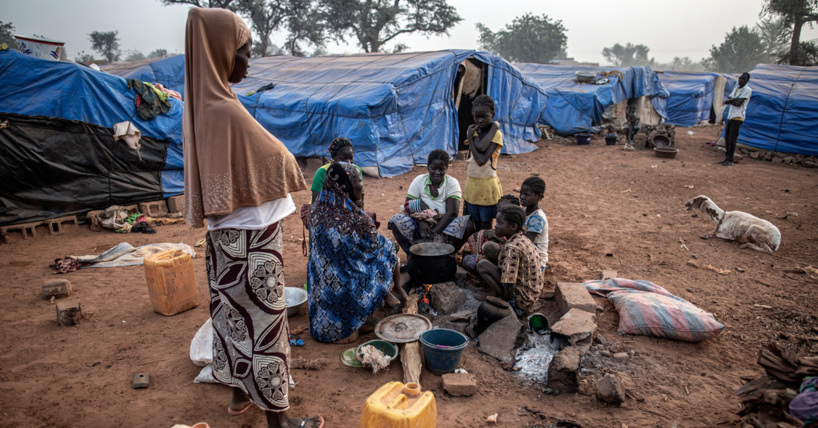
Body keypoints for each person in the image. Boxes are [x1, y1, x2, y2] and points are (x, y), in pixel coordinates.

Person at [182, 8, 322, 428]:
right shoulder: (225, 111)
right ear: (224, 54)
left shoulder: (205, 101)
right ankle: (279, 421)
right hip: (251, 239)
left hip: (227, 240)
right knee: (265, 327)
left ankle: (240, 395)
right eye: (244, 52)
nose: (248, 62)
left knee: (233, 320)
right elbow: (278, 156)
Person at [308, 162, 409, 343]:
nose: (363, 192)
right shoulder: (356, 219)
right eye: (359, 188)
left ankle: (362, 318)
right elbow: (377, 249)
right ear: (345, 188)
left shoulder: (315, 210)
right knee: (388, 251)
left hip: (321, 309)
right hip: (346, 299)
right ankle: (366, 314)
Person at [388, 150, 471, 258]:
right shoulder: (419, 181)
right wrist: (421, 222)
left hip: (444, 225)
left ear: (446, 168)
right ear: (428, 167)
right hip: (421, 226)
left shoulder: (452, 183)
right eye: (434, 168)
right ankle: (413, 254)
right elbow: (408, 206)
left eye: (441, 169)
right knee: (396, 220)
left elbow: (452, 213)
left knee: (468, 223)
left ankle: (446, 254)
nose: (437, 172)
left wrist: (433, 233)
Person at [475, 206, 544, 317]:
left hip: (522, 301)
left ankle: (506, 301)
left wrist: (505, 302)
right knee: (489, 247)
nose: (495, 226)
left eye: (500, 223)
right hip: (532, 294)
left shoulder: (512, 248)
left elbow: (510, 284)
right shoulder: (522, 239)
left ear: (512, 227)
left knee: (482, 265)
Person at [462, 94, 504, 231]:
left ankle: (483, 251)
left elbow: (481, 158)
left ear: (492, 114)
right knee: (473, 224)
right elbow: (478, 148)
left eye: (484, 117)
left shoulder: (496, 135)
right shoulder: (474, 132)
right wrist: (471, 135)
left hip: (487, 187)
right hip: (472, 186)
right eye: (476, 117)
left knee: (485, 226)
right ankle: (475, 250)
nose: (480, 120)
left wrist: (470, 136)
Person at [461, 194, 519, 273]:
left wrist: (495, 236)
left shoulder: (517, 230)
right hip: (501, 261)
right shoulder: (501, 228)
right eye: (499, 210)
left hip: (510, 267)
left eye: (506, 210)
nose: (501, 213)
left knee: (486, 250)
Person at [310, 137, 361, 203]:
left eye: (351, 158)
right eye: (343, 159)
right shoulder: (322, 172)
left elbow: (359, 201)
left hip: (347, 209)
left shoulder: (356, 171)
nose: (348, 162)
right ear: (333, 157)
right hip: (323, 209)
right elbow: (315, 202)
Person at [719, 72, 752, 166]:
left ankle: (730, 159)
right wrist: (733, 100)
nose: (740, 80)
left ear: (747, 80)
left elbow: (738, 103)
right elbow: (728, 100)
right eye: (740, 78)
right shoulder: (736, 88)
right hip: (730, 116)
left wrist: (731, 100)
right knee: (727, 138)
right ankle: (726, 157)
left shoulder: (747, 90)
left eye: (743, 79)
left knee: (732, 138)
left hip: (738, 117)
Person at [519, 176, 549, 271]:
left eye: (526, 194)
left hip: (536, 261)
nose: (522, 197)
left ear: (538, 196)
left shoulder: (538, 218)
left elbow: (525, 243)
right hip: (527, 254)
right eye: (521, 193)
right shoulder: (523, 211)